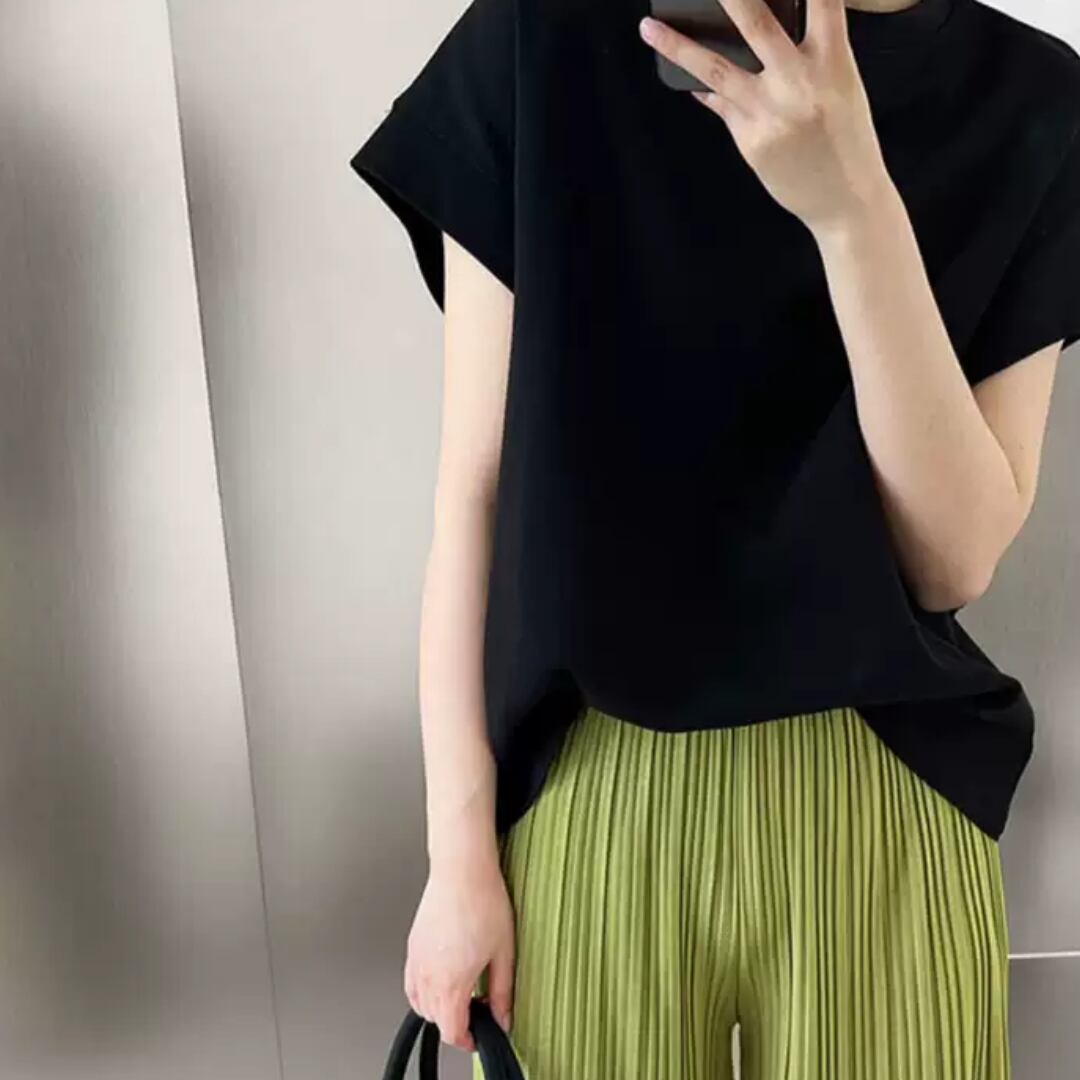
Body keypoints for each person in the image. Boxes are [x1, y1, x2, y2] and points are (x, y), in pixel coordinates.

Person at [351, 0, 1080, 1075]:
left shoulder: (1034, 102)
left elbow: (953, 559)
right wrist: (457, 853)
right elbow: (476, 489)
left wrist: (854, 213)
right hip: (591, 794)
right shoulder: (548, 34)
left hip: (882, 791)